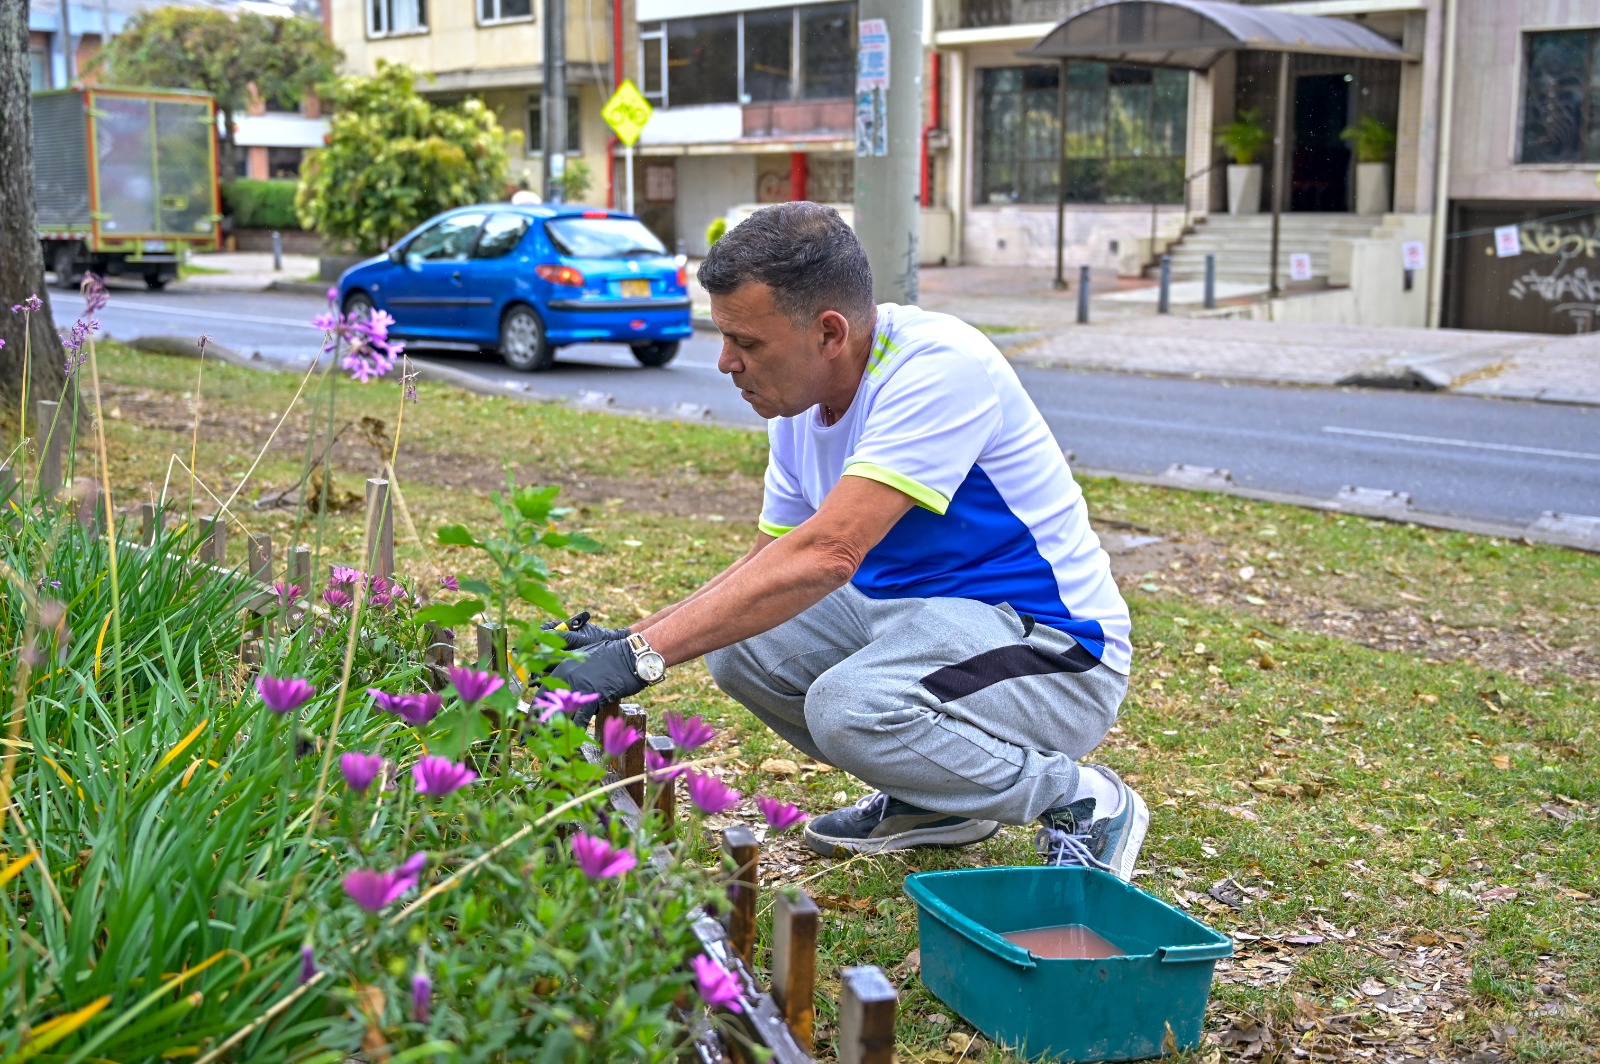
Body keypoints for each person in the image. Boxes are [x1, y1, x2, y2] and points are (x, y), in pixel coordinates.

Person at [545, 202, 1146, 877]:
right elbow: (771, 561)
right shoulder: (797, 404)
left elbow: (829, 554)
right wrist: (630, 638)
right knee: (740, 644)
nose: (723, 363)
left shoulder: (939, 366)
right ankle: (937, 801)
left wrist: (640, 658)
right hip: (920, 627)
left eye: (746, 342)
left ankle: (1082, 799)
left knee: (853, 708)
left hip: (1053, 651)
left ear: (829, 332)